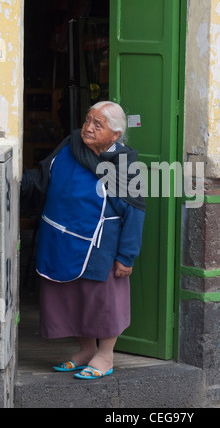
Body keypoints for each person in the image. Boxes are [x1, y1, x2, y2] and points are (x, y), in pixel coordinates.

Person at [21, 101, 145, 380]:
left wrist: (127, 256)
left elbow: (136, 211)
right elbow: (41, 178)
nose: (87, 128)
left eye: (97, 125)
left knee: (101, 302)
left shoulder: (125, 165)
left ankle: (105, 355)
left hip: (100, 245)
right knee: (71, 297)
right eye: (88, 120)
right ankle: (87, 350)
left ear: (115, 135)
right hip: (60, 239)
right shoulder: (69, 147)